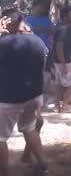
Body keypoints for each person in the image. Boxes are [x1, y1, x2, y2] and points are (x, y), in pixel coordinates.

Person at [0, 9, 48, 176]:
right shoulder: (38, 41)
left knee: (0, 139)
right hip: (33, 96)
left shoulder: (4, 43)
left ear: (7, 22)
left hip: (8, 98)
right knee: (29, 129)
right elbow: (42, 68)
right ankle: (43, 165)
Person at [53, 8, 71, 113]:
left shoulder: (61, 28)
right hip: (63, 61)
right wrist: (63, 63)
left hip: (59, 60)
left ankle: (57, 106)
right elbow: (59, 46)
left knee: (59, 84)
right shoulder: (63, 29)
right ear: (65, 17)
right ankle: (65, 106)